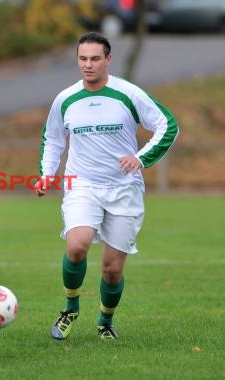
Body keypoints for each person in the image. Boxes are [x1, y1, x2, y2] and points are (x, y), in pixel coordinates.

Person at [37, 31, 179, 341]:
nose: (88, 65)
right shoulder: (65, 98)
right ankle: (70, 308)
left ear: (108, 59)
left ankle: (105, 320)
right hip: (82, 185)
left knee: (112, 270)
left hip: (124, 189)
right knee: (77, 245)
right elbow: (53, 138)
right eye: (82, 59)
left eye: (95, 59)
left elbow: (168, 125)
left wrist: (140, 159)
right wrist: (47, 174)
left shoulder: (128, 93)